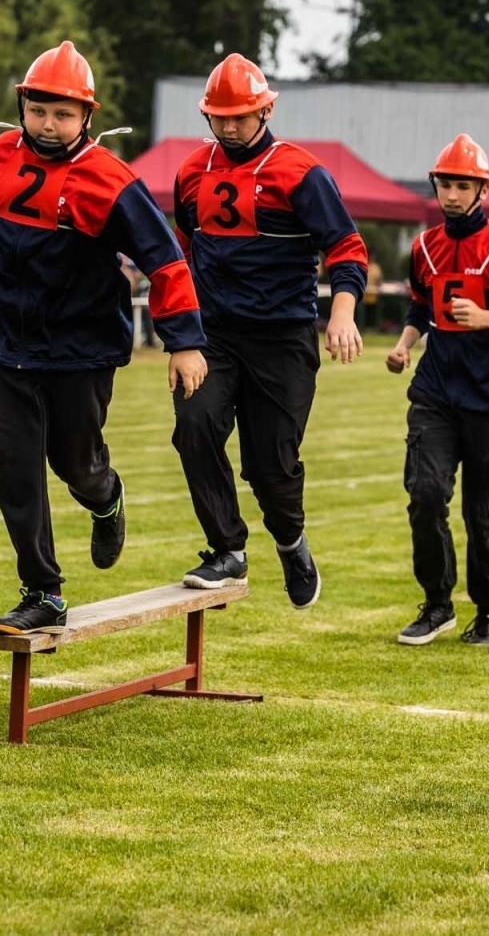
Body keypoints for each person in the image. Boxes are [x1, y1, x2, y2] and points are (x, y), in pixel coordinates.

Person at [0, 40, 208, 635]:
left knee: (74, 462)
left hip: (81, 347)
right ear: (22, 107)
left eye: (62, 113)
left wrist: (184, 341)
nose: (47, 124)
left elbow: (165, 260)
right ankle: (42, 591)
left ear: (87, 116)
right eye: (38, 111)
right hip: (7, 341)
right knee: (14, 468)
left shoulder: (111, 180)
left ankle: (106, 496)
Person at [168, 52, 367, 608]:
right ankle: (226, 549)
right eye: (219, 117)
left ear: (266, 110)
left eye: (240, 117)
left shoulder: (301, 173)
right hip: (212, 335)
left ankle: (290, 540)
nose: (229, 127)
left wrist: (343, 312)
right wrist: (179, 329)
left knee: (269, 465)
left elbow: (346, 248)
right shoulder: (191, 172)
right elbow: (178, 251)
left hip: (282, 337)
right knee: (194, 426)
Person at [385, 134, 489, 646]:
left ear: (483, 190)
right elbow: (421, 305)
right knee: (425, 495)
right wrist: (404, 345)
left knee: (486, 514)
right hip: (435, 394)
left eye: (464, 186)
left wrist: (487, 318)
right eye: (446, 185)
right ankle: (437, 604)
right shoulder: (423, 246)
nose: (453, 195)